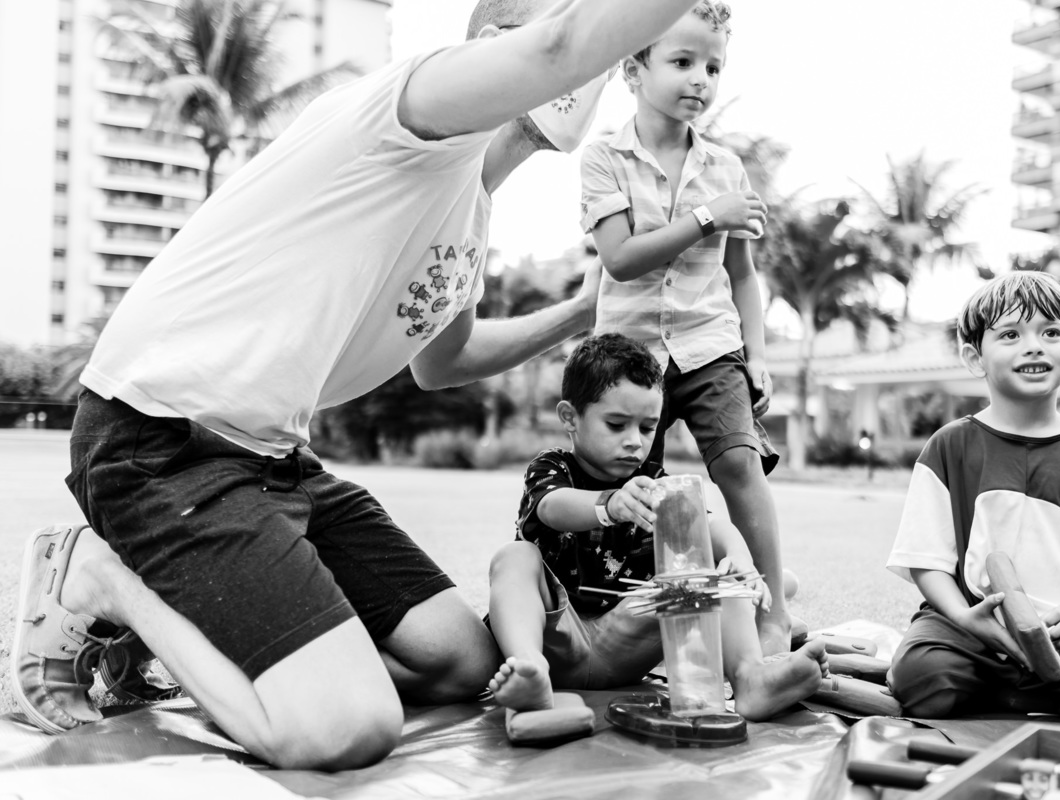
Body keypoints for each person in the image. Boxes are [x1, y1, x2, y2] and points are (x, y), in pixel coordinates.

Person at [11, 0, 710, 771]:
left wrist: (579, 314)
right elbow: (561, 48)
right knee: (347, 727)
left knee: (462, 661)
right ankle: (103, 579)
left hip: (276, 464)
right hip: (163, 440)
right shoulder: (411, 108)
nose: (594, 72)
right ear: (490, 45)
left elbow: (444, 361)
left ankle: (222, 637)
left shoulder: (470, 212)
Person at [578, 1, 790, 655]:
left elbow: (744, 275)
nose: (700, 78)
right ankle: (625, 616)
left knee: (739, 464)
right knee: (630, 488)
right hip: (629, 355)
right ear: (632, 69)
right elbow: (620, 258)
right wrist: (706, 216)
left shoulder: (726, 168)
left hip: (709, 342)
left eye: (713, 66)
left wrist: (756, 356)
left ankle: (773, 609)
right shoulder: (603, 159)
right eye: (682, 61)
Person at [486, 333, 828, 727]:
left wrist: (742, 560)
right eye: (616, 425)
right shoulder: (551, 468)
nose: (634, 442)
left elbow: (711, 523)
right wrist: (608, 505)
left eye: (648, 427)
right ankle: (528, 670)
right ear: (570, 417)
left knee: (714, 575)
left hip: (626, 640)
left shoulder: (655, 481)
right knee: (514, 557)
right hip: (556, 640)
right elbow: (552, 508)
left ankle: (750, 678)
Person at [885, 272, 1060, 733]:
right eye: (1011, 335)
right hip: (970, 629)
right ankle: (1028, 688)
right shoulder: (949, 447)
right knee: (923, 682)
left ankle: (1028, 688)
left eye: (1051, 332)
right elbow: (926, 561)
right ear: (974, 357)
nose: (1033, 346)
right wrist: (963, 616)